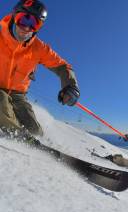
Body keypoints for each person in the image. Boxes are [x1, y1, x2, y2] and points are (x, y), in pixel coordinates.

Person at [0, 0, 80, 136]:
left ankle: (35, 141)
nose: (26, 28)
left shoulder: (38, 48)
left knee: (35, 130)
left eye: (34, 24)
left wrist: (70, 85)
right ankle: (19, 137)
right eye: (23, 20)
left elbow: (62, 66)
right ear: (14, 17)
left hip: (18, 95)